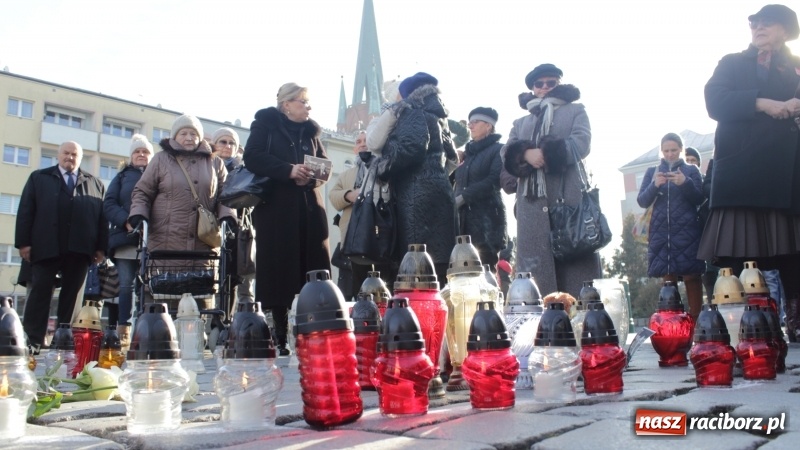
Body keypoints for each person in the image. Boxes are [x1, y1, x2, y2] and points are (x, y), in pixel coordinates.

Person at [700, 4, 800, 340]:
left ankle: (796, 322)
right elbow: (715, 101)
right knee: (739, 257)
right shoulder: (731, 62)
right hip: (741, 174)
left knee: (794, 256)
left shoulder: (797, 66)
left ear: (784, 31)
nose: (758, 28)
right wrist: (764, 103)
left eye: (767, 24)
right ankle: (744, 327)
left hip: (788, 174)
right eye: (755, 23)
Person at [243, 83, 331, 355]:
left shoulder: (310, 133)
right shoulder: (265, 125)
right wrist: (288, 170)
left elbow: (324, 166)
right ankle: (279, 335)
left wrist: (312, 174)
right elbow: (252, 157)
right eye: (303, 101)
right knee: (278, 271)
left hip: (308, 207)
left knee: (314, 268)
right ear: (286, 104)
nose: (308, 107)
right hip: (276, 210)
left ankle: (316, 331)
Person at [501, 63, 599, 298]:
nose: (545, 87)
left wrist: (546, 154)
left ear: (559, 84)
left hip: (569, 198)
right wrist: (524, 154)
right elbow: (505, 152)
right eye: (539, 83)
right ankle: (541, 328)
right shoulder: (520, 123)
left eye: (551, 83)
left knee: (577, 275)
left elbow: (581, 143)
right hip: (532, 207)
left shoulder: (576, 110)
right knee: (536, 278)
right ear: (533, 88)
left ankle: (581, 322)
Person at [128, 115, 236, 309]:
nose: (188, 137)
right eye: (183, 133)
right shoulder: (161, 159)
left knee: (200, 298)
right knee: (162, 296)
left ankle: (196, 335)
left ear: (201, 137)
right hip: (165, 240)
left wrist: (228, 215)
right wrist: (138, 213)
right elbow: (143, 191)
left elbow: (226, 195)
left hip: (202, 243)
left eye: (193, 133)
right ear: (174, 136)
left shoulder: (215, 163)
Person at [15, 141, 107, 351]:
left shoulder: (95, 184)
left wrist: (101, 248)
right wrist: (24, 243)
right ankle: (33, 341)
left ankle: (64, 342)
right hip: (45, 246)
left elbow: (102, 219)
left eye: (74, 154)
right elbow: (26, 210)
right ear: (58, 155)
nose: (70, 157)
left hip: (80, 249)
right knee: (39, 294)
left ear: (80, 158)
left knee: (73, 297)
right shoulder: (39, 178)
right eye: (66, 153)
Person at [373, 72, 458, 283]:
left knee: (416, 261)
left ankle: (418, 311)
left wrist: (384, 168)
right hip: (441, 192)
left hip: (415, 195)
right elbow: (453, 158)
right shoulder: (441, 119)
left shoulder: (412, 111)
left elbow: (412, 148)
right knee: (440, 260)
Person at [637, 133, 705, 320]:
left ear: (681, 150)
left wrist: (685, 183)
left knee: (692, 276)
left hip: (688, 230)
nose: (670, 154)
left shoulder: (691, 170)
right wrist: (654, 185)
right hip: (661, 232)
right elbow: (642, 201)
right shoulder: (652, 171)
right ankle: (672, 322)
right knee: (668, 278)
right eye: (666, 150)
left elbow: (699, 198)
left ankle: (698, 322)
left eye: (674, 150)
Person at [102, 134, 153, 347]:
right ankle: (125, 329)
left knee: (151, 286)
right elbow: (109, 203)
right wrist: (126, 221)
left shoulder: (158, 174)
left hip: (153, 240)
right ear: (131, 156)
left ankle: (150, 327)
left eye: (145, 151)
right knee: (126, 285)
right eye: (137, 152)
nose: (141, 154)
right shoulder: (122, 176)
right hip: (125, 239)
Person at [454, 107, 507, 270]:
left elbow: (494, 181)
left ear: (488, 126)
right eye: (469, 122)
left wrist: (463, 197)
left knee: (485, 273)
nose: (470, 126)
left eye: (475, 122)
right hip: (461, 223)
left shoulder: (499, 150)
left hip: (487, 224)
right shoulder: (465, 156)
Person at [212, 127, 255, 314]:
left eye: (232, 143)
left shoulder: (245, 170)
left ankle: (246, 323)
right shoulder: (207, 166)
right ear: (214, 145)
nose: (227, 146)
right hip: (211, 231)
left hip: (240, 230)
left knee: (244, 280)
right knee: (216, 280)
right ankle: (216, 323)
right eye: (223, 141)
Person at [329, 131, 367, 299]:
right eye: (359, 141)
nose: (363, 144)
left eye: (367, 140)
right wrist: (349, 195)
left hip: (380, 238)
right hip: (353, 239)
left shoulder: (384, 168)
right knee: (357, 286)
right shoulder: (346, 175)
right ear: (355, 149)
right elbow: (333, 195)